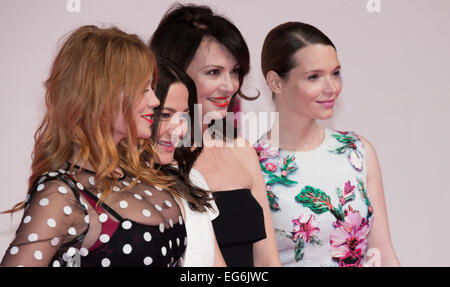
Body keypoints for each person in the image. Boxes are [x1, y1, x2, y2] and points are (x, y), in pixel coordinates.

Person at [0, 25, 206, 267]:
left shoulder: (148, 177)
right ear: (103, 96)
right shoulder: (63, 195)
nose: (154, 100)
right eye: (142, 89)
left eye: (151, 87)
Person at [256, 21, 401, 266]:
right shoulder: (254, 166)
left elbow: (382, 251)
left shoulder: (357, 151)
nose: (332, 87)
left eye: (335, 73)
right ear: (275, 82)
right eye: (314, 77)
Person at [149, 3, 281, 266]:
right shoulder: (149, 158)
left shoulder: (241, 151)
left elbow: (267, 261)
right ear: (174, 72)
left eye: (235, 72)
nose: (230, 86)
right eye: (213, 72)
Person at [150, 57, 225, 266]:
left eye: (185, 116)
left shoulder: (192, 179)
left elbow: (215, 262)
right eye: (165, 114)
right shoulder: (109, 189)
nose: (180, 130)